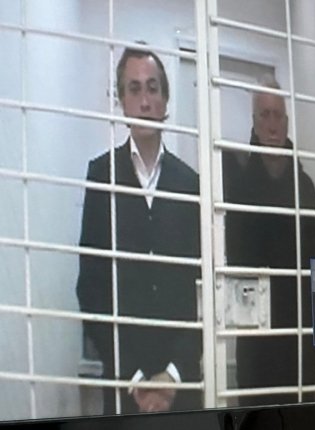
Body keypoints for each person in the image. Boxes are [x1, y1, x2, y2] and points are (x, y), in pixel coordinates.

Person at [76, 45, 202, 415]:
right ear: (121, 101)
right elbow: (91, 286)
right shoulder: (102, 175)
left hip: (183, 388)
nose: (145, 101)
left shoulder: (191, 184)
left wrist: (174, 375)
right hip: (123, 386)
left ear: (165, 100)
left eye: (152, 88)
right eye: (134, 89)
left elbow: (201, 288)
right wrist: (133, 378)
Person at [224, 74, 315, 406]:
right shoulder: (238, 186)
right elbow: (235, 258)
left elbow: (314, 265)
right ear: (254, 121)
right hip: (256, 333)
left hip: (297, 331)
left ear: (287, 122)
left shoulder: (305, 187)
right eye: (264, 115)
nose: (272, 124)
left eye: (277, 115)